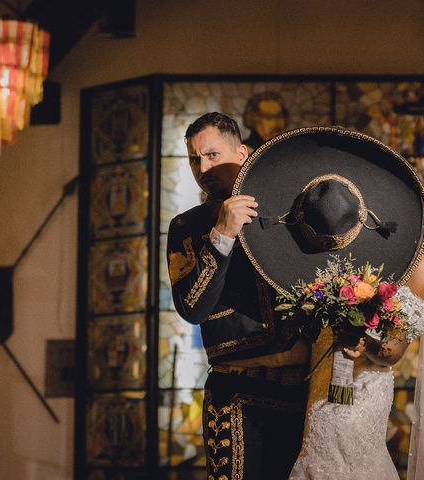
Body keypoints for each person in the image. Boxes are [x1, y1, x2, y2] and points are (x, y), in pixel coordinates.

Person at [288, 178, 424, 480]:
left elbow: (392, 351)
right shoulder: (387, 245)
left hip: (359, 387)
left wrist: (362, 339)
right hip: (323, 373)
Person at [166, 112, 309, 480]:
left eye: (213, 154)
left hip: (302, 391)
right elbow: (192, 308)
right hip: (234, 392)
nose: (203, 167)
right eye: (195, 159)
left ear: (242, 152)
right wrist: (222, 235)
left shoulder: (286, 211)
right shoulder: (186, 227)